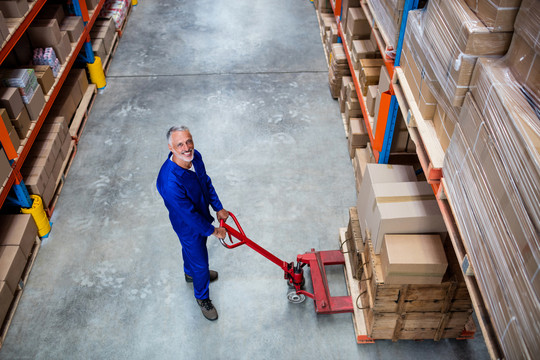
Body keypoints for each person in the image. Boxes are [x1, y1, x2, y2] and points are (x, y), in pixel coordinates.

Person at [156, 126, 229, 321]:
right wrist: (213, 230)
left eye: (189, 141)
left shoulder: (194, 157)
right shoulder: (170, 183)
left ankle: (190, 274)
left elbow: (205, 181)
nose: (187, 147)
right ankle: (202, 298)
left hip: (201, 214)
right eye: (180, 144)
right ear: (171, 148)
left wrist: (217, 206)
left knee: (192, 255)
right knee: (200, 262)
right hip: (188, 226)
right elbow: (189, 216)